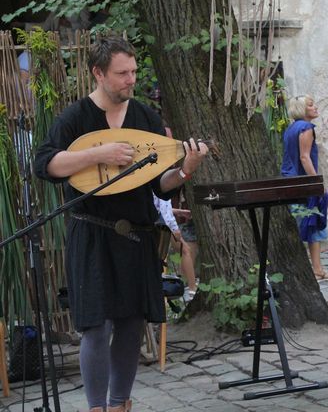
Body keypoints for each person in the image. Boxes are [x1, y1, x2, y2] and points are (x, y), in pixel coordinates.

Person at [34, 36, 208, 411]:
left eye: (133, 71)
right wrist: (99, 154)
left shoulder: (145, 119)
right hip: (91, 233)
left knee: (131, 326)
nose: (131, 79)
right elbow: (45, 165)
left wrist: (185, 170)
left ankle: (119, 405)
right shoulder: (76, 118)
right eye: (122, 73)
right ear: (99, 73)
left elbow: (159, 186)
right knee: (96, 327)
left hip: (137, 236)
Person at [281, 95, 328, 280]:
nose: (315, 107)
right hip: (302, 183)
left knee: (308, 224)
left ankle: (317, 269)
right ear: (302, 109)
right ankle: (315, 270)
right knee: (311, 223)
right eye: (311, 105)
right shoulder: (306, 128)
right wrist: (317, 182)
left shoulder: (290, 129)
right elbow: (304, 157)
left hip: (291, 181)